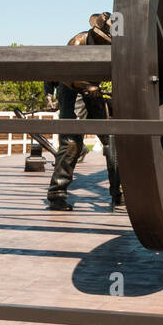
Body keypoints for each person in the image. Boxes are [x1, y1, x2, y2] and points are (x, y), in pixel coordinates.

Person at [43, 12, 124, 212]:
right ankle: (57, 194)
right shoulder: (77, 42)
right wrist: (52, 95)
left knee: (111, 138)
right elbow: (61, 73)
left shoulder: (113, 47)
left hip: (94, 94)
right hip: (70, 90)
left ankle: (119, 192)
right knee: (71, 142)